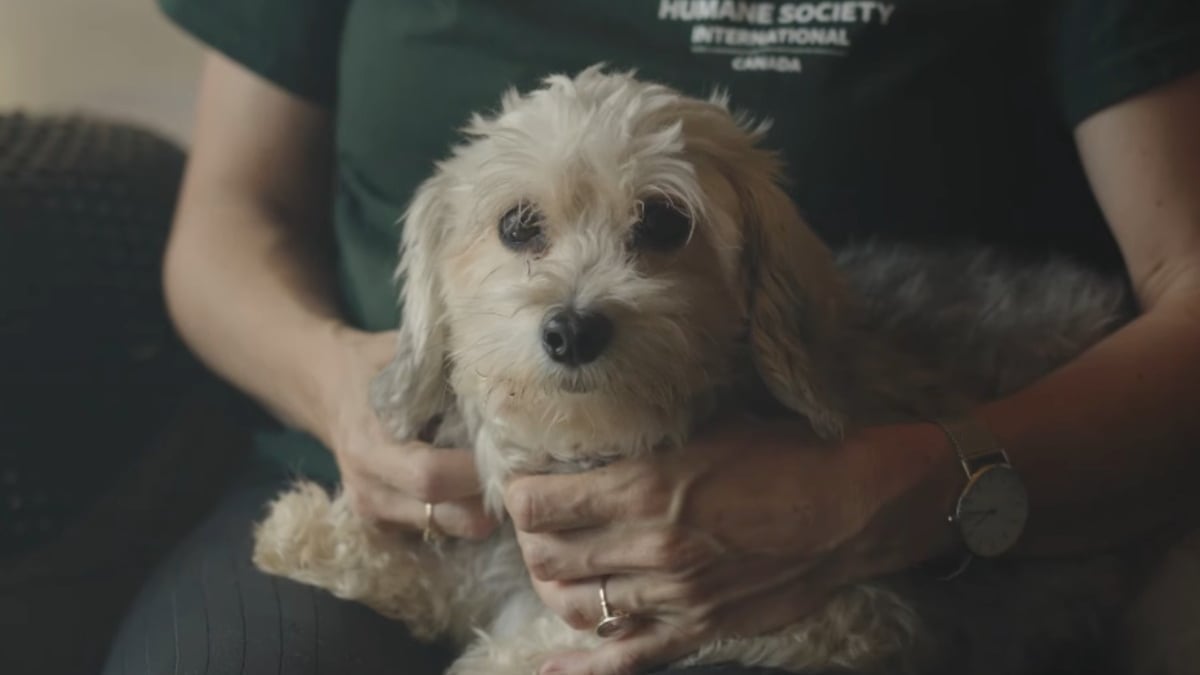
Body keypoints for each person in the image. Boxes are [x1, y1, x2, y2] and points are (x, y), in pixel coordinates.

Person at [103, 1, 1200, 674]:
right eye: (523, 229)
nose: (579, 297)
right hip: (370, 460)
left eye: (660, 227)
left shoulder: (794, 311)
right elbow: (222, 225)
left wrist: (899, 484)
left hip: (890, 502)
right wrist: (344, 385)